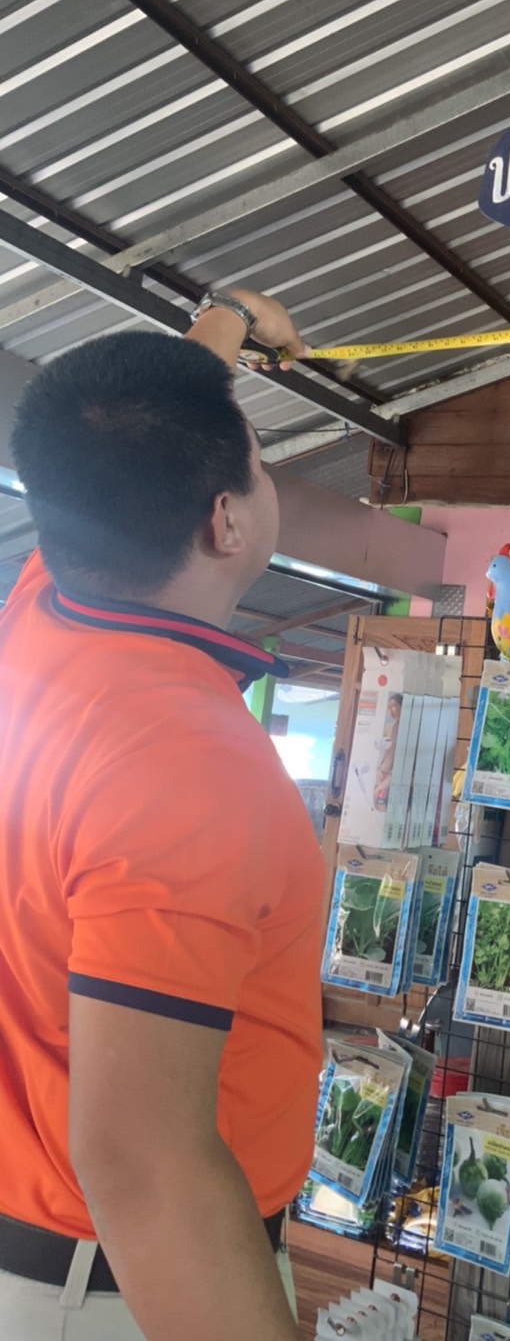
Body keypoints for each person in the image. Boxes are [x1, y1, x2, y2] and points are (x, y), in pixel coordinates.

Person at [0, 291, 322, 1340]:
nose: (266, 479)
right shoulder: (187, 764)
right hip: (118, 1289)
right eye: (260, 465)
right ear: (226, 520)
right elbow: (143, 1161)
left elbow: (126, 429)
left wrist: (227, 321)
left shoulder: (46, 604)